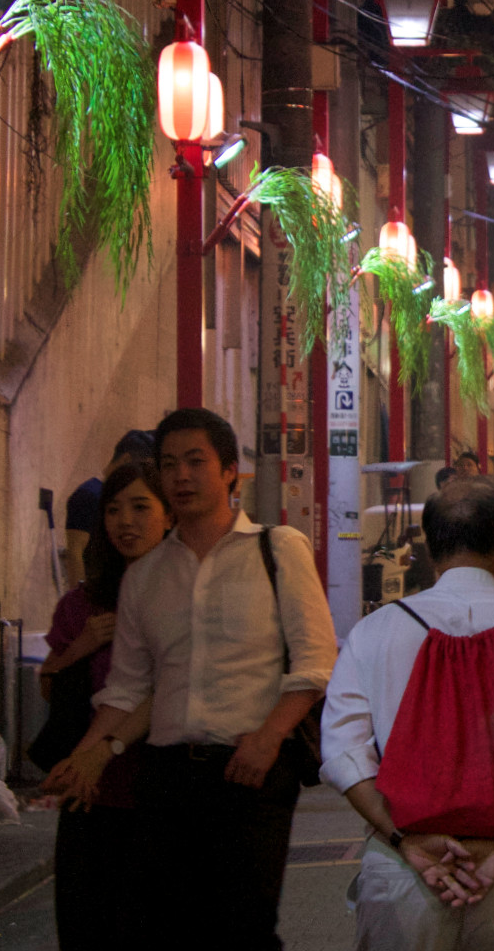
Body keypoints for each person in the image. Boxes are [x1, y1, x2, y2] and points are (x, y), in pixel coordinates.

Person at [81, 407, 337, 951]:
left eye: (196, 462)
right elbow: (127, 685)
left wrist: (268, 740)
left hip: (251, 770)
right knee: (164, 931)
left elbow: (316, 661)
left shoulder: (278, 549)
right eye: (169, 464)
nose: (181, 476)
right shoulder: (145, 576)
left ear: (229, 471)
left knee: (243, 930)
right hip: (166, 774)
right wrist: (87, 753)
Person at [321, 477, 494, 950]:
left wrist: (404, 842)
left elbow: (344, 755)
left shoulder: (372, 634)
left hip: (401, 874)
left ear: (430, 552)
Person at [38, 462, 171, 950]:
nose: (125, 521)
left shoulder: (185, 595)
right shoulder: (82, 604)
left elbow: (179, 687)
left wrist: (103, 749)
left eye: (141, 507)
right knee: (84, 931)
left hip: (160, 797)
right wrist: (81, 648)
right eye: (113, 510)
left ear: (168, 516)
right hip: (88, 797)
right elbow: (50, 685)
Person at [61, 429, 155, 587]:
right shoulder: (89, 495)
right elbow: (75, 553)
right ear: (126, 460)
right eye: (142, 467)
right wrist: (81, 603)